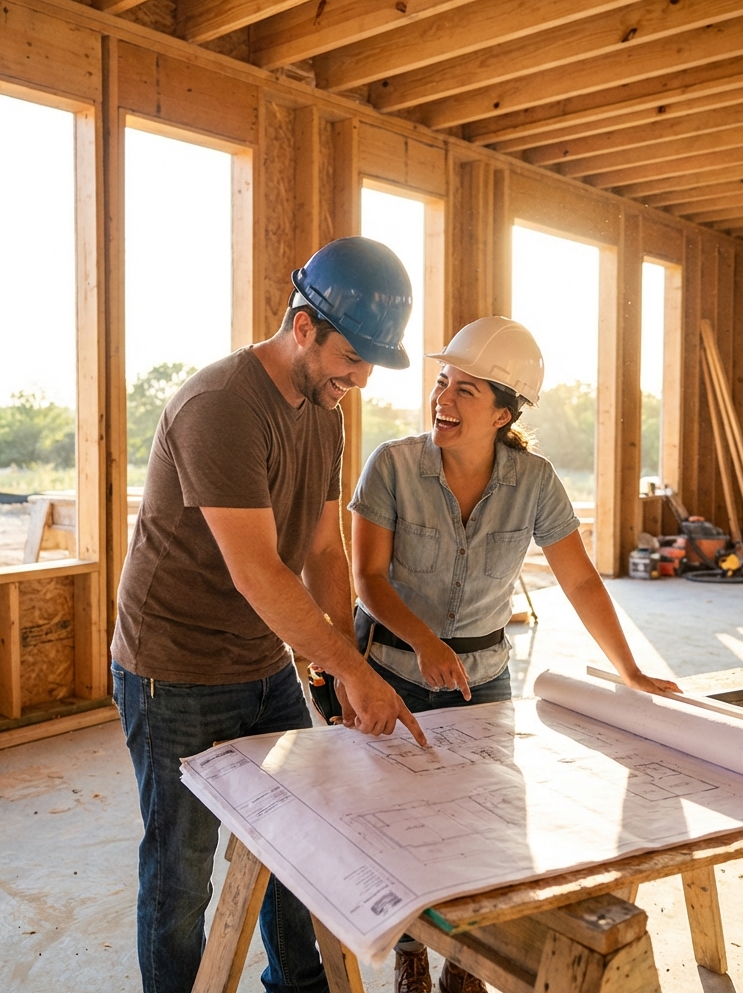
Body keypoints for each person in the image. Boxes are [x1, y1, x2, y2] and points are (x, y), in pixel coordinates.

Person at [111, 236, 428, 993]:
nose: (359, 378)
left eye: (372, 365)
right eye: (353, 357)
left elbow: (322, 549)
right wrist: (350, 671)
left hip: (261, 659)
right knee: (183, 872)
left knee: (296, 844)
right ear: (304, 325)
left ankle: (300, 985)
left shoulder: (326, 408)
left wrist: (342, 660)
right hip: (173, 672)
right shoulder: (220, 406)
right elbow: (256, 570)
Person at [349, 316, 681, 993]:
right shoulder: (392, 464)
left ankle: (465, 964)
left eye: (465, 390)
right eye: (442, 382)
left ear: (504, 412)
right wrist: (425, 641)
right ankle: (412, 952)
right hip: (393, 672)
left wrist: (630, 669)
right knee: (404, 828)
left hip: (485, 683)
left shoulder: (534, 480)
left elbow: (582, 579)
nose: (442, 397)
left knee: (482, 828)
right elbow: (368, 580)